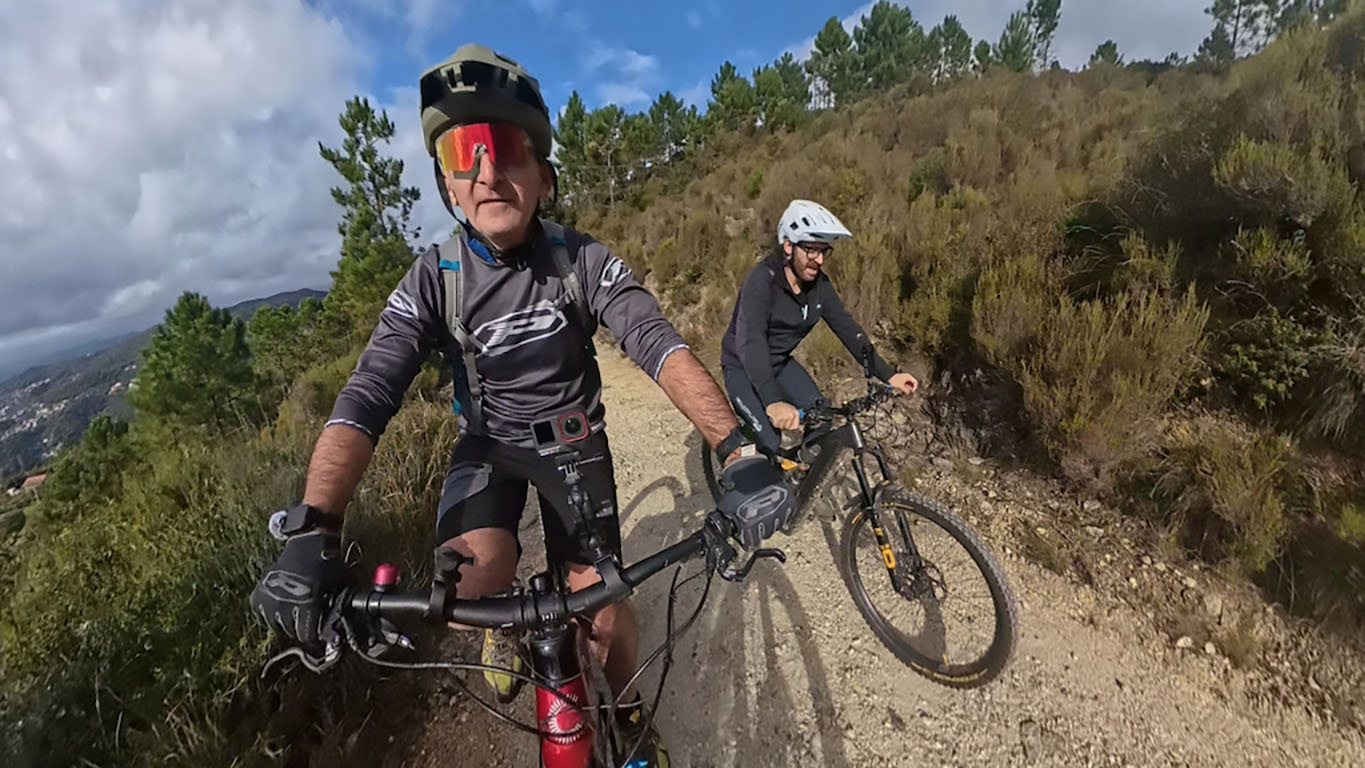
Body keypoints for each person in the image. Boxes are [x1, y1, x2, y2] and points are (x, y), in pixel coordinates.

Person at [249, 43, 789, 766]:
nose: (486, 171)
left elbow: (655, 342)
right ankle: (503, 630)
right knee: (471, 587)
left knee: (603, 615)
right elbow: (368, 392)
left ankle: (626, 710)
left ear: (543, 177)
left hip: (574, 442)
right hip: (490, 447)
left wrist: (736, 449)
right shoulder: (434, 278)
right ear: (448, 186)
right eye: (463, 152)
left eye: (505, 148)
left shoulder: (581, 258)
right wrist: (314, 529)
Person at [719, 199, 918, 456]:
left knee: (822, 417)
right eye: (811, 250)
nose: (819, 260)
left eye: (824, 251)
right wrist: (773, 401)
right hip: (743, 366)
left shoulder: (819, 286)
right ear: (788, 246)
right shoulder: (761, 282)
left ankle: (801, 472)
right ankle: (742, 468)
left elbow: (847, 329)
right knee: (768, 442)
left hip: (779, 363)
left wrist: (888, 375)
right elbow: (752, 342)